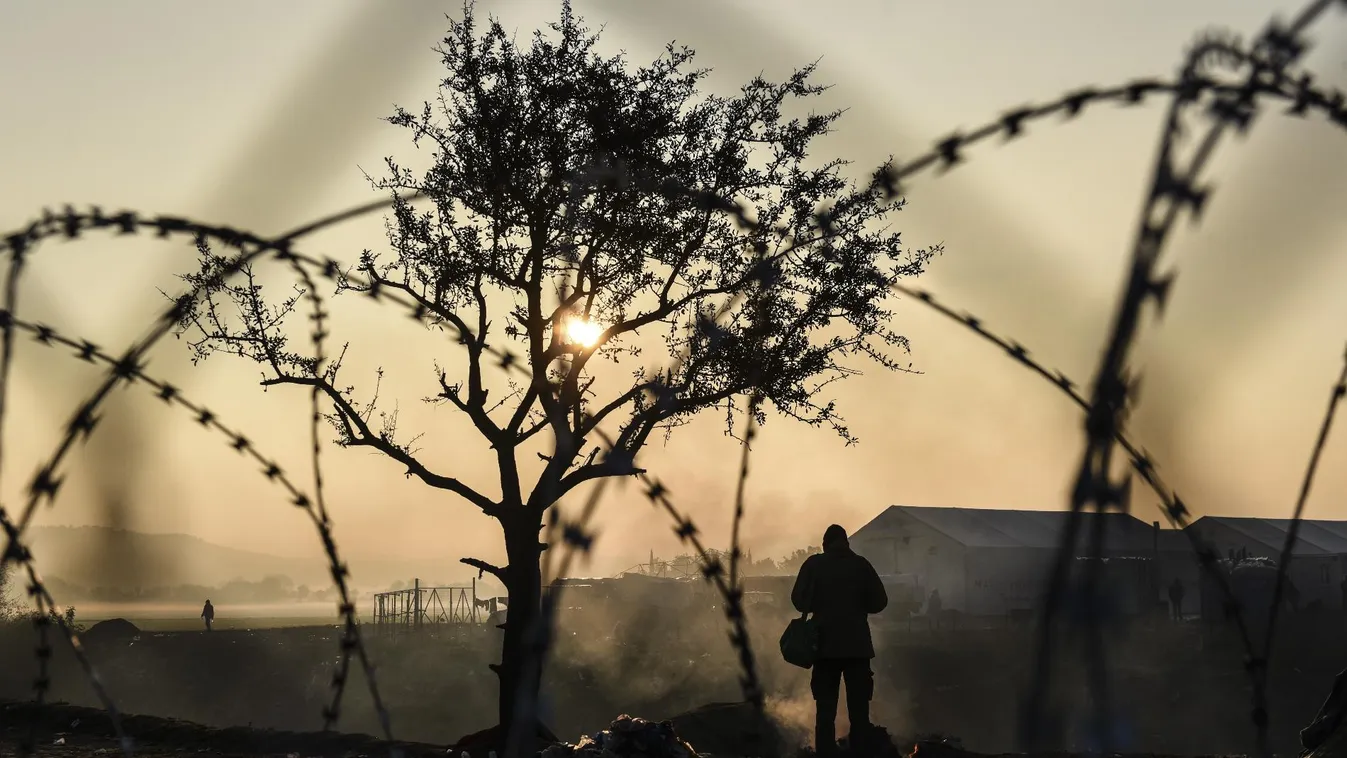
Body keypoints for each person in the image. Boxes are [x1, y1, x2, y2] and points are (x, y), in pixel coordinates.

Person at [791, 524, 888, 757]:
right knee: (859, 712)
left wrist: (819, 604)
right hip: (857, 647)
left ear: (825, 544)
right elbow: (880, 602)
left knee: (825, 712)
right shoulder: (861, 565)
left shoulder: (814, 565)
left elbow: (798, 601)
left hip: (824, 647)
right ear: (846, 542)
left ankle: (825, 753)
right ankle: (860, 752)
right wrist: (856, 606)